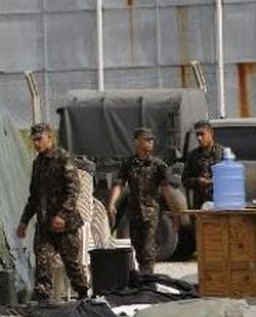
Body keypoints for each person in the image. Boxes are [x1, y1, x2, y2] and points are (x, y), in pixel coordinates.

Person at [16, 122, 89, 301]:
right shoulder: (38, 163)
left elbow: (74, 190)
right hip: (45, 226)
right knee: (42, 263)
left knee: (73, 266)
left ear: (50, 137)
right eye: (34, 140)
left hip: (65, 226)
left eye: (39, 139)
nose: (36, 144)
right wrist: (24, 221)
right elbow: (33, 196)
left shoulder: (63, 158)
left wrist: (62, 215)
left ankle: (84, 295)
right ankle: (44, 303)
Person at [107, 127, 170, 274]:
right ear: (137, 142)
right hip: (134, 213)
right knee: (138, 248)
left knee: (148, 250)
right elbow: (119, 185)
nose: (150, 143)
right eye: (146, 140)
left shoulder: (158, 165)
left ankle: (147, 280)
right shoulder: (128, 164)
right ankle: (144, 278)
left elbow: (167, 190)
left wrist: (175, 212)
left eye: (152, 140)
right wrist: (111, 204)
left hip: (151, 214)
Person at [182, 120, 225, 209]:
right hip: (199, 205)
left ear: (211, 133)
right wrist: (198, 181)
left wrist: (214, 182)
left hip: (219, 204)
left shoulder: (223, 154)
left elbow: (231, 180)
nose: (199, 138)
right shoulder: (193, 156)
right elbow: (185, 180)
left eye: (202, 134)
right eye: (197, 135)